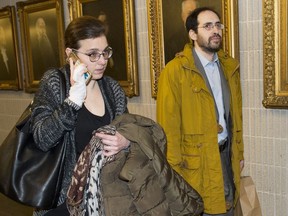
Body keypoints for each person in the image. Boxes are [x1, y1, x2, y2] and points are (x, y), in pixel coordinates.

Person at [30, 16, 129, 215]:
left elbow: (129, 129)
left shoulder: (112, 88)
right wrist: (72, 102)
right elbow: (41, 138)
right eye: (92, 54)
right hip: (61, 202)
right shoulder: (55, 83)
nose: (102, 61)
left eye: (105, 52)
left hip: (104, 200)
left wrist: (126, 142)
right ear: (71, 54)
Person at [156, 7, 244, 216]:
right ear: (193, 34)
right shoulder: (175, 71)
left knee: (228, 209)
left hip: (225, 157)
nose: (215, 31)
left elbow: (235, 118)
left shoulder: (229, 68)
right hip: (195, 165)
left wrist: (239, 153)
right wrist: (174, 174)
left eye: (218, 25)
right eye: (207, 26)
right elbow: (168, 128)